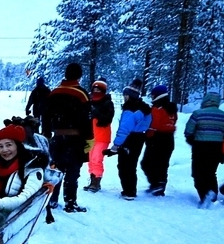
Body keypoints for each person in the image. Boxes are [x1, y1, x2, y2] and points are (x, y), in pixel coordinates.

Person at [42, 62, 93, 213]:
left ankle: (52, 200)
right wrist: (89, 138)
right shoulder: (82, 94)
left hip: (57, 139)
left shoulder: (54, 93)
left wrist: (46, 133)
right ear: (79, 76)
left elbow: (45, 116)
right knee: (72, 172)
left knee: (55, 170)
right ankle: (70, 203)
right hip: (75, 140)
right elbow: (87, 119)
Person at [183, 91, 224, 207]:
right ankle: (213, 196)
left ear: (205, 101)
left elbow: (188, 131)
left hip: (200, 147)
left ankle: (204, 196)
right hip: (217, 148)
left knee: (198, 173)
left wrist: (192, 140)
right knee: (211, 173)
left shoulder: (197, 114)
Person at [104, 82, 151, 199]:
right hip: (139, 138)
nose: (124, 97)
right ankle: (130, 190)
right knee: (131, 164)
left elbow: (124, 129)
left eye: (125, 95)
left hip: (130, 139)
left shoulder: (130, 109)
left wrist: (116, 146)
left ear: (130, 96)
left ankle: (129, 191)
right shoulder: (144, 108)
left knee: (125, 165)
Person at [141, 84, 178, 196]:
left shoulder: (158, 109)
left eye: (153, 95)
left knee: (147, 163)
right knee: (162, 164)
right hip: (169, 139)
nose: (151, 97)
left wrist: (146, 136)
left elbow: (153, 125)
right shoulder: (172, 109)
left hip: (157, 139)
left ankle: (156, 185)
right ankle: (159, 185)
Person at [84, 79, 114, 193]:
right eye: (94, 89)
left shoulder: (107, 103)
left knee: (97, 159)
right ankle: (92, 180)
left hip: (102, 136)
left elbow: (107, 119)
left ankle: (96, 182)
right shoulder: (89, 101)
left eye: (98, 89)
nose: (96, 91)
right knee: (91, 159)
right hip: (90, 135)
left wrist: (95, 113)